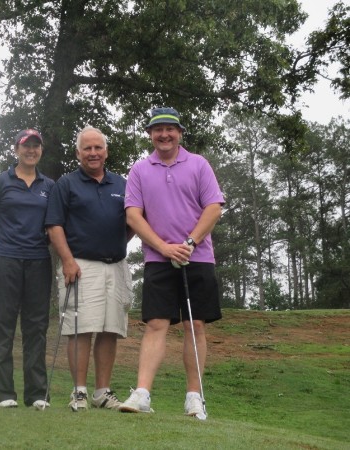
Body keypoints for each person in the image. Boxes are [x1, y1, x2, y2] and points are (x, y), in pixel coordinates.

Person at [119, 107, 224, 418]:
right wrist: (165, 247)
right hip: (157, 257)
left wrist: (188, 243)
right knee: (156, 324)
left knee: (196, 326)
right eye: (157, 129)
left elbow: (214, 208)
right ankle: (142, 394)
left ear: (179, 133)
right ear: (151, 135)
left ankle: (194, 397)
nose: (164, 134)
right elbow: (132, 215)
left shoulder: (199, 164)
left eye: (170, 129)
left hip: (198, 257)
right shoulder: (139, 169)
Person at [45, 125, 133, 412]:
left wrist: (116, 243)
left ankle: (102, 393)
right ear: (78, 153)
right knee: (80, 328)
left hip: (116, 266)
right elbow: (54, 225)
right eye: (87, 148)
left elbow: (131, 223)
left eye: (98, 148)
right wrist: (68, 260)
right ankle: (79, 392)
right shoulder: (66, 184)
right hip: (80, 265)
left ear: (106, 151)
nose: (93, 153)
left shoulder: (122, 184)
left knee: (110, 329)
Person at [0, 129, 55, 410]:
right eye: (26, 146)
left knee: (36, 327)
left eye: (36, 146)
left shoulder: (50, 185)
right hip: (4, 260)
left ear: (40, 151)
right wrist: (2, 244)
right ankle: (3, 394)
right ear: (16, 149)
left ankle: (37, 394)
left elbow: (54, 223)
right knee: (2, 325)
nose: (31, 150)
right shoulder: (1, 181)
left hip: (38, 260)